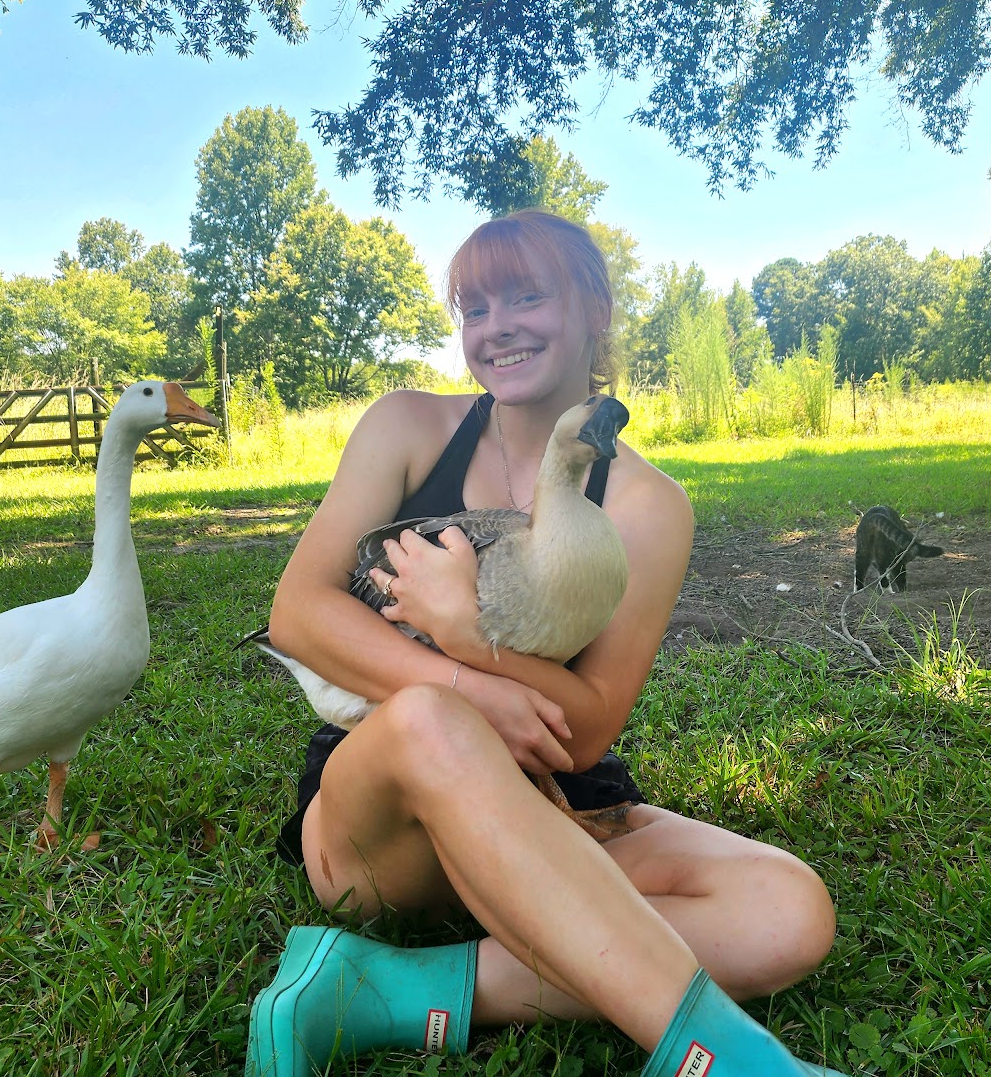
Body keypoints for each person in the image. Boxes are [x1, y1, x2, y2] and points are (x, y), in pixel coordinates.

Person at [249, 209, 844, 1077]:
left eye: (527, 295)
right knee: (429, 721)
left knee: (788, 911)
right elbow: (298, 614)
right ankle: (734, 1060)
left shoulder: (647, 506)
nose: (497, 327)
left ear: (594, 309)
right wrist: (466, 686)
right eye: (475, 307)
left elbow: (589, 729)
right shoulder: (407, 427)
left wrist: (472, 641)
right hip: (385, 822)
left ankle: (375, 988)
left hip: (550, 797)